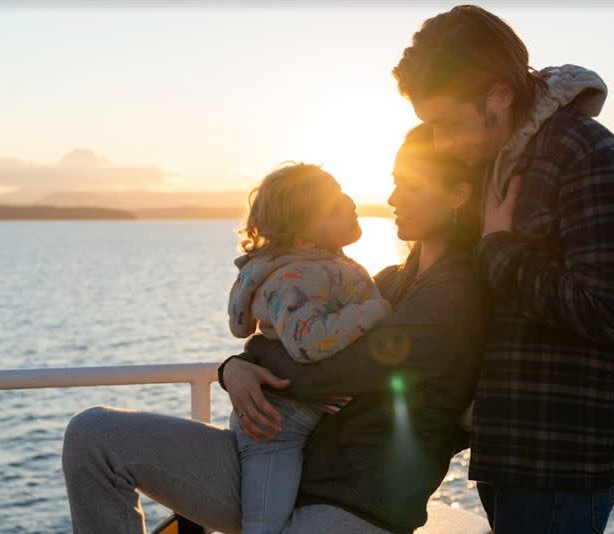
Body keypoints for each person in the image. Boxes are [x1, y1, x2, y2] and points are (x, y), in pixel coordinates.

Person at [61, 124, 490, 533]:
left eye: (410, 185)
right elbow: (298, 339)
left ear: (457, 194)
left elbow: (330, 369)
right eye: (395, 181)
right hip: (286, 464)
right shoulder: (391, 282)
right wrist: (236, 367)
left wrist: (246, 364)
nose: (393, 196)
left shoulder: (453, 295)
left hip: (355, 505)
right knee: (94, 436)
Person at [390, 5, 614, 533]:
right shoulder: (499, 158)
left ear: (499, 96)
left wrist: (500, 252)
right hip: (508, 444)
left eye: (446, 124)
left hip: (562, 460)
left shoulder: (590, 157)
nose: (442, 143)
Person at [225, 162, 391, 533]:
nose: (349, 204)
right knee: (263, 527)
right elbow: (309, 344)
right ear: (303, 239)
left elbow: (239, 323)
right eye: (332, 207)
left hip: (299, 418)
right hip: (275, 428)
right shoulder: (299, 277)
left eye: (342, 193)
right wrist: (376, 311)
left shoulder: (276, 267)